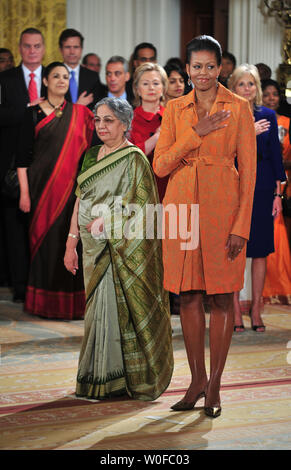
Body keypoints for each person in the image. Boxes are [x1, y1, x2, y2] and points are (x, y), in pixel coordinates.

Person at [153, 35, 257, 418]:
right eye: (195, 66)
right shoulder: (175, 108)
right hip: (181, 209)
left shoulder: (240, 107)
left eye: (209, 66)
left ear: (220, 67)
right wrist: (195, 133)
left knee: (222, 297)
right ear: (186, 67)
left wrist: (241, 226)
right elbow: (160, 165)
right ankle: (195, 381)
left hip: (224, 211)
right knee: (189, 296)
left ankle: (215, 384)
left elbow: (249, 174)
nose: (202, 73)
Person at [64, 97, 173, 400]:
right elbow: (80, 200)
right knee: (94, 313)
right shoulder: (89, 157)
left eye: (108, 120)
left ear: (125, 124)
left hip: (119, 249)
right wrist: (70, 242)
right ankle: (94, 376)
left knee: (114, 311)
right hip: (90, 247)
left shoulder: (134, 158)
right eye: (97, 119)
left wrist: (107, 224)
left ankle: (115, 379)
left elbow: (142, 207)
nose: (101, 126)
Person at [16, 62, 94, 319]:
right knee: (44, 246)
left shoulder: (80, 114)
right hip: (40, 191)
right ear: (46, 81)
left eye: (65, 76)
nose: (61, 80)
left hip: (73, 192)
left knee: (70, 244)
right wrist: (25, 194)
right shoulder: (32, 113)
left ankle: (71, 306)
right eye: (55, 76)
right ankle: (44, 305)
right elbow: (22, 159)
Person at [229, 65, 286, 332]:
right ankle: (235, 312)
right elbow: (223, 153)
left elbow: (275, 155)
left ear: (257, 88)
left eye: (251, 84)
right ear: (233, 88)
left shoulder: (269, 115)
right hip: (233, 187)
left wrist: (278, 194)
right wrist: (247, 134)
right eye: (241, 84)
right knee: (234, 251)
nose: (247, 89)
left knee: (261, 251)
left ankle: (256, 310)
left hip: (263, 188)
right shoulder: (226, 115)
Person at [0, 28, 46, 302]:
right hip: (9, 168)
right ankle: (19, 286)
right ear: (19, 48)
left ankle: (39, 285)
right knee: (14, 230)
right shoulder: (4, 79)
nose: (31, 51)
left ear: (43, 48)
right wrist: (29, 107)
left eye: (36, 46)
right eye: (27, 46)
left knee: (41, 227)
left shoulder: (53, 78)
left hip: (43, 166)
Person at [260, 78, 291, 304]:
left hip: (282, 182)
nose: (271, 98)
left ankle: (280, 285)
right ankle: (262, 289)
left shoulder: (287, 122)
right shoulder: (254, 120)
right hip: (262, 181)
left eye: (274, 94)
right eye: (267, 93)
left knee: (278, 236)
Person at [130, 62, 169, 201]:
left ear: (164, 88)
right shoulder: (128, 121)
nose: (151, 88)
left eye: (156, 83)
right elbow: (131, 157)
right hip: (139, 190)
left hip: (169, 188)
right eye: (145, 84)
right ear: (137, 89)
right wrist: (157, 136)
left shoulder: (173, 118)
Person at [59, 28, 105, 109]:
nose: (72, 52)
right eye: (67, 47)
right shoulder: (53, 75)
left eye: (76, 47)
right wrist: (77, 106)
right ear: (60, 50)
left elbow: (97, 109)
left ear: (81, 49)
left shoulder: (93, 77)